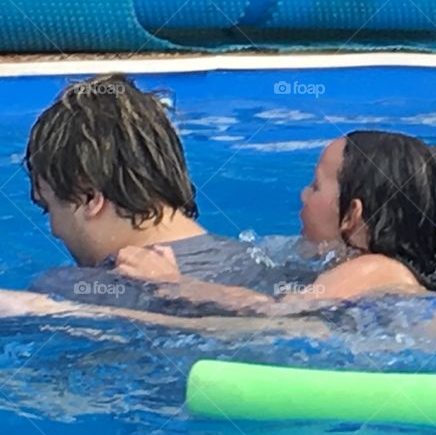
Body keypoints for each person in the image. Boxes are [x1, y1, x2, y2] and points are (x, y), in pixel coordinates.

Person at [118, 131, 436, 312]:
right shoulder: (377, 269)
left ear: (353, 215)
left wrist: (171, 284)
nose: (303, 195)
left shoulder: (374, 270)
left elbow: (276, 312)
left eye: (315, 186)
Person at [21, 73, 271, 316]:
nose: (54, 230)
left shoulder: (75, 289)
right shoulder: (264, 261)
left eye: (48, 208)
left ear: (89, 197)